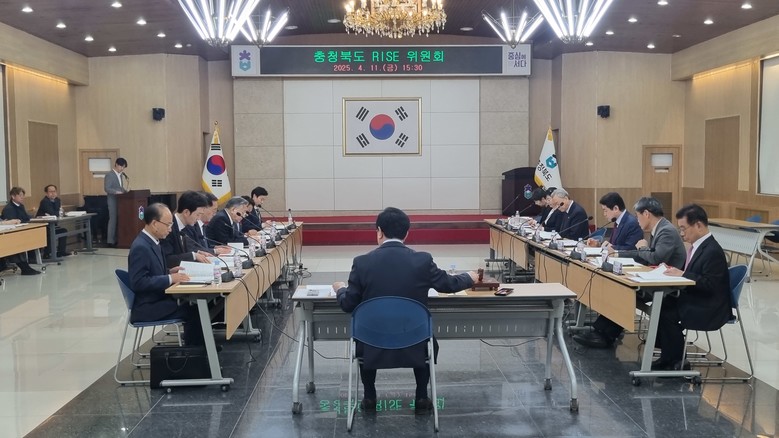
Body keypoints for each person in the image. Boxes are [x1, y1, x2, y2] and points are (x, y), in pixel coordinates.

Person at [333, 207, 478, 414]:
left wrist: (340, 289)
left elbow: (348, 304)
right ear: (406, 233)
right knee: (422, 335)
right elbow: (448, 284)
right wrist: (469, 277)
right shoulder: (422, 260)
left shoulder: (362, 263)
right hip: (415, 340)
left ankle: (369, 396)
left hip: (372, 343)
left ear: (379, 231)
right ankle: (421, 397)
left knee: (367, 334)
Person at [572, 197, 686, 349]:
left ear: (646, 214)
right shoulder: (659, 228)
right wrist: (618, 253)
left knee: (623, 291)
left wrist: (642, 247)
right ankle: (601, 332)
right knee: (619, 288)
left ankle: (605, 335)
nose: (637, 220)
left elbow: (656, 257)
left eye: (638, 216)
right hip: (655, 278)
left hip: (666, 286)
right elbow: (646, 255)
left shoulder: (666, 231)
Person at [658, 204, 732, 371]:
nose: (681, 233)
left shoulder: (712, 251)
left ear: (698, 225)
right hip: (696, 297)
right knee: (661, 305)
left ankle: (676, 362)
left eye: (683, 228)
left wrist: (683, 274)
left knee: (666, 313)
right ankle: (668, 357)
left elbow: (710, 285)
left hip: (709, 306)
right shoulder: (697, 247)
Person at [128, 203, 204, 346]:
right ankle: (196, 351)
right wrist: (169, 278)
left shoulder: (154, 241)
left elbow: (152, 272)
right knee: (195, 308)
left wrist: (170, 272)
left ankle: (200, 348)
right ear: (154, 224)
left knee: (197, 303)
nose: (170, 229)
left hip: (159, 298)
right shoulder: (141, 247)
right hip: (148, 305)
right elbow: (138, 282)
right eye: (168, 225)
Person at [160, 191, 211, 267]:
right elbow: (167, 259)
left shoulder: (189, 227)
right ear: (186, 212)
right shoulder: (168, 227)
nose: (199, 218)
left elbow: (189, 249)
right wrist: (193, 256)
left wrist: (197, 252)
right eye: (198, 214)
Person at [1, 187, 41, 275]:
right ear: (13, 196)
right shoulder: (9, 208)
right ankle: (25, 267)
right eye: (20, 195)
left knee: (32, 237)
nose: (22, 197)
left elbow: (25, 218)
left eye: (23, 195)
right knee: (16, 243)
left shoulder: (21, 206)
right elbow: (12, 222)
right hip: (9, 235)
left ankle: (28, 263)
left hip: (19, 232)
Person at [36, 184, 68, 258]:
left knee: (63, 231)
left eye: (54, 191)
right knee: (50, 233)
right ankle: (47, 253)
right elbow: (53, 213)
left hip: (53, 225)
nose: (53, 193)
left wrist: (57, 213)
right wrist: (57, 212)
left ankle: (61, 252)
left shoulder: (57, 200)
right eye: (50, 192)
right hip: (44, 226)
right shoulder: (44, 201)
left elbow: (58, 212)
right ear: (46, 193)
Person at [104, 157, 128, 248]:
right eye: (121, 166)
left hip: (120, 201)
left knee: (120, 220)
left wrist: (126, 192)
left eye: (123, 167)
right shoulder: (109, 175)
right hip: (112, 200)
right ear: (116, 164)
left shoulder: (120, 175)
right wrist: (116, 192)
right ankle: (110, 241)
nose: (122, 169)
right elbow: (107, 188)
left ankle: (118, 239)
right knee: (113, 220)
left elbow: (120, 188)